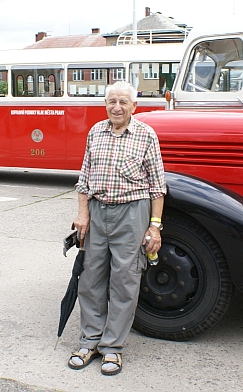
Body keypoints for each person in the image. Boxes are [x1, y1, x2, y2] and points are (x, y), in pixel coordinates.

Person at [69, 81, 166, 376]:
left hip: (132, 213)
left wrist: (155, 227)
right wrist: (83, 215)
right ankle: (89, 341)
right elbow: (84, 179)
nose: (117, 106)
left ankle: (113, 348)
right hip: (98, 212)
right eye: (112, 101)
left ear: (134, 106)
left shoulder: (146, 135)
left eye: (123, 101)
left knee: (124, 281)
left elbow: (157, 188)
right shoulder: (96, 132)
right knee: (91, 278)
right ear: (106, 105)